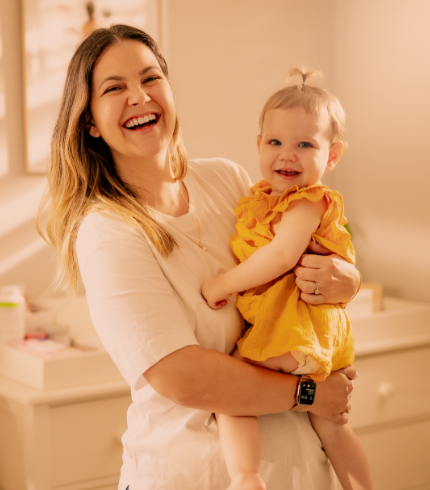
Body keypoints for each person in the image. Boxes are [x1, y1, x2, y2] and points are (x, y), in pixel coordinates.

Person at [37, 24, 361, 490]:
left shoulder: (227, 182)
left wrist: (345, 277)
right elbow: (183, 376)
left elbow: (301, 251)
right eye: (115, 88)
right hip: (192, 476)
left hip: (299, 471)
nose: (139, 96)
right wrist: (309, 393)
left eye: (151, 79)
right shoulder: (108, 231)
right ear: (89, 121)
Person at [201, 68, 372, 490]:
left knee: (233, 392)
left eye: (305, 145)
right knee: (330, 428)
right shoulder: (261, 198)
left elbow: (280, 256)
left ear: (332, 156)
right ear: (258, 145)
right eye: (275, 142)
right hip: (315, 337)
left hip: (293, 332)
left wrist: (222, 285)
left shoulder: (308, 202)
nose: (287, 155)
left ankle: (246, 476)